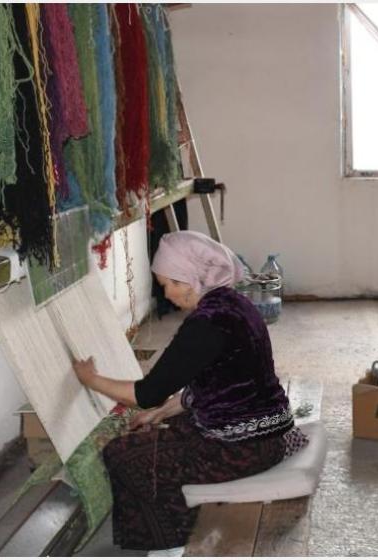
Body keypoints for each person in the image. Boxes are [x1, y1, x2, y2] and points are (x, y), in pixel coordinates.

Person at [72, 230, 303, 554]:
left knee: (122, 455)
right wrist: (160, 412)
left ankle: (170, 540)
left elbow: (145, 394)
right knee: (164, 428)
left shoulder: (204, 325)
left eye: (169, 284)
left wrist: (91, 379)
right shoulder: (235, 304)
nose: (167, 294)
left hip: (244, 448)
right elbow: (222, 382)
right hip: (273, 433)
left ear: (191, 279)